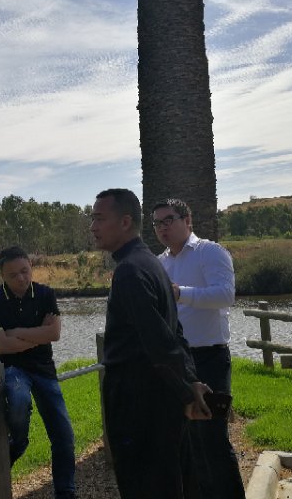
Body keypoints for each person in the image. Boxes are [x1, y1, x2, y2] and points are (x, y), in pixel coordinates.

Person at [89, 188, 211, 498]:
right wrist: (190, 381)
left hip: (139, 402)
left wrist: (187, 392)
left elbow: (158, 340)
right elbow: (175, 332)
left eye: (99, 219)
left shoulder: (130, 271)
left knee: (145, 485)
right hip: (160, 398)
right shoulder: (151, 264)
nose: (93, 227)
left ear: (125, 222)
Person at [152, 198, 245, 499]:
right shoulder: (159, 264)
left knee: (213, 440)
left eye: (169, 220)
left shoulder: (210, 252)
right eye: (157, 223)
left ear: (188, 220)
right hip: (177, 363)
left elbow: (226, 295)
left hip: (209, 358)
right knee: (186, 443)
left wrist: (180, 293)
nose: (162, 228)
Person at [0, 246, 76, 499]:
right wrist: (38, 335)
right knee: (19, 400)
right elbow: (1, 347)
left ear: (31, 267)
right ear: (2, 275)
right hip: (12, 368)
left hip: (44, 368)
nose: (21, 279)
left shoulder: (45, 294)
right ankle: (19, 443)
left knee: (64, 434)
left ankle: (66, 492)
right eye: (13, 275)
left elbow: (54, 333)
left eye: (25, 271)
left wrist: (16, 333)